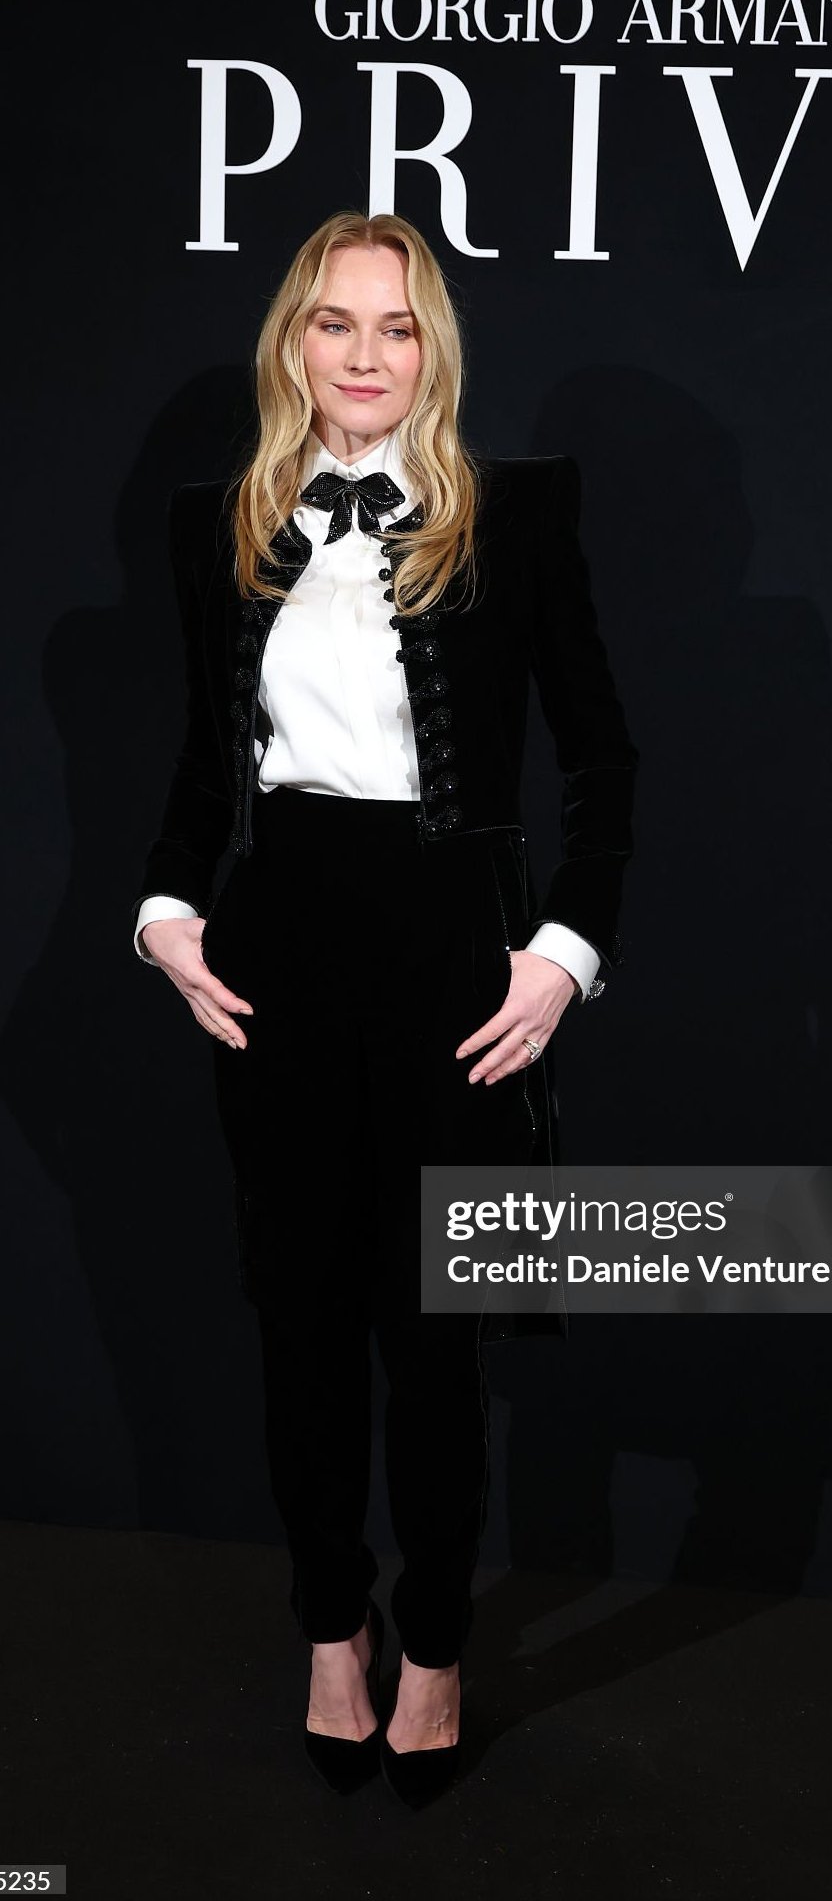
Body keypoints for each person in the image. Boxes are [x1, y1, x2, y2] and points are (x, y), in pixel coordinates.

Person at [131, 209, 638, 1809]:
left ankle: (434, 1644)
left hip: (450, 958)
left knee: (434, 1333)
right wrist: (163, 916)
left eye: (399, 325)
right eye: (338, 321)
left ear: (436, 350)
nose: (366, 353)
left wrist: (562, 950)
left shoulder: (517, 516)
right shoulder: (218, 525)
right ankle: (329, 1628)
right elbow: (203, 766)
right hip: (277, 948)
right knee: (301, 1327)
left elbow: (602, 758)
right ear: (295, 338)